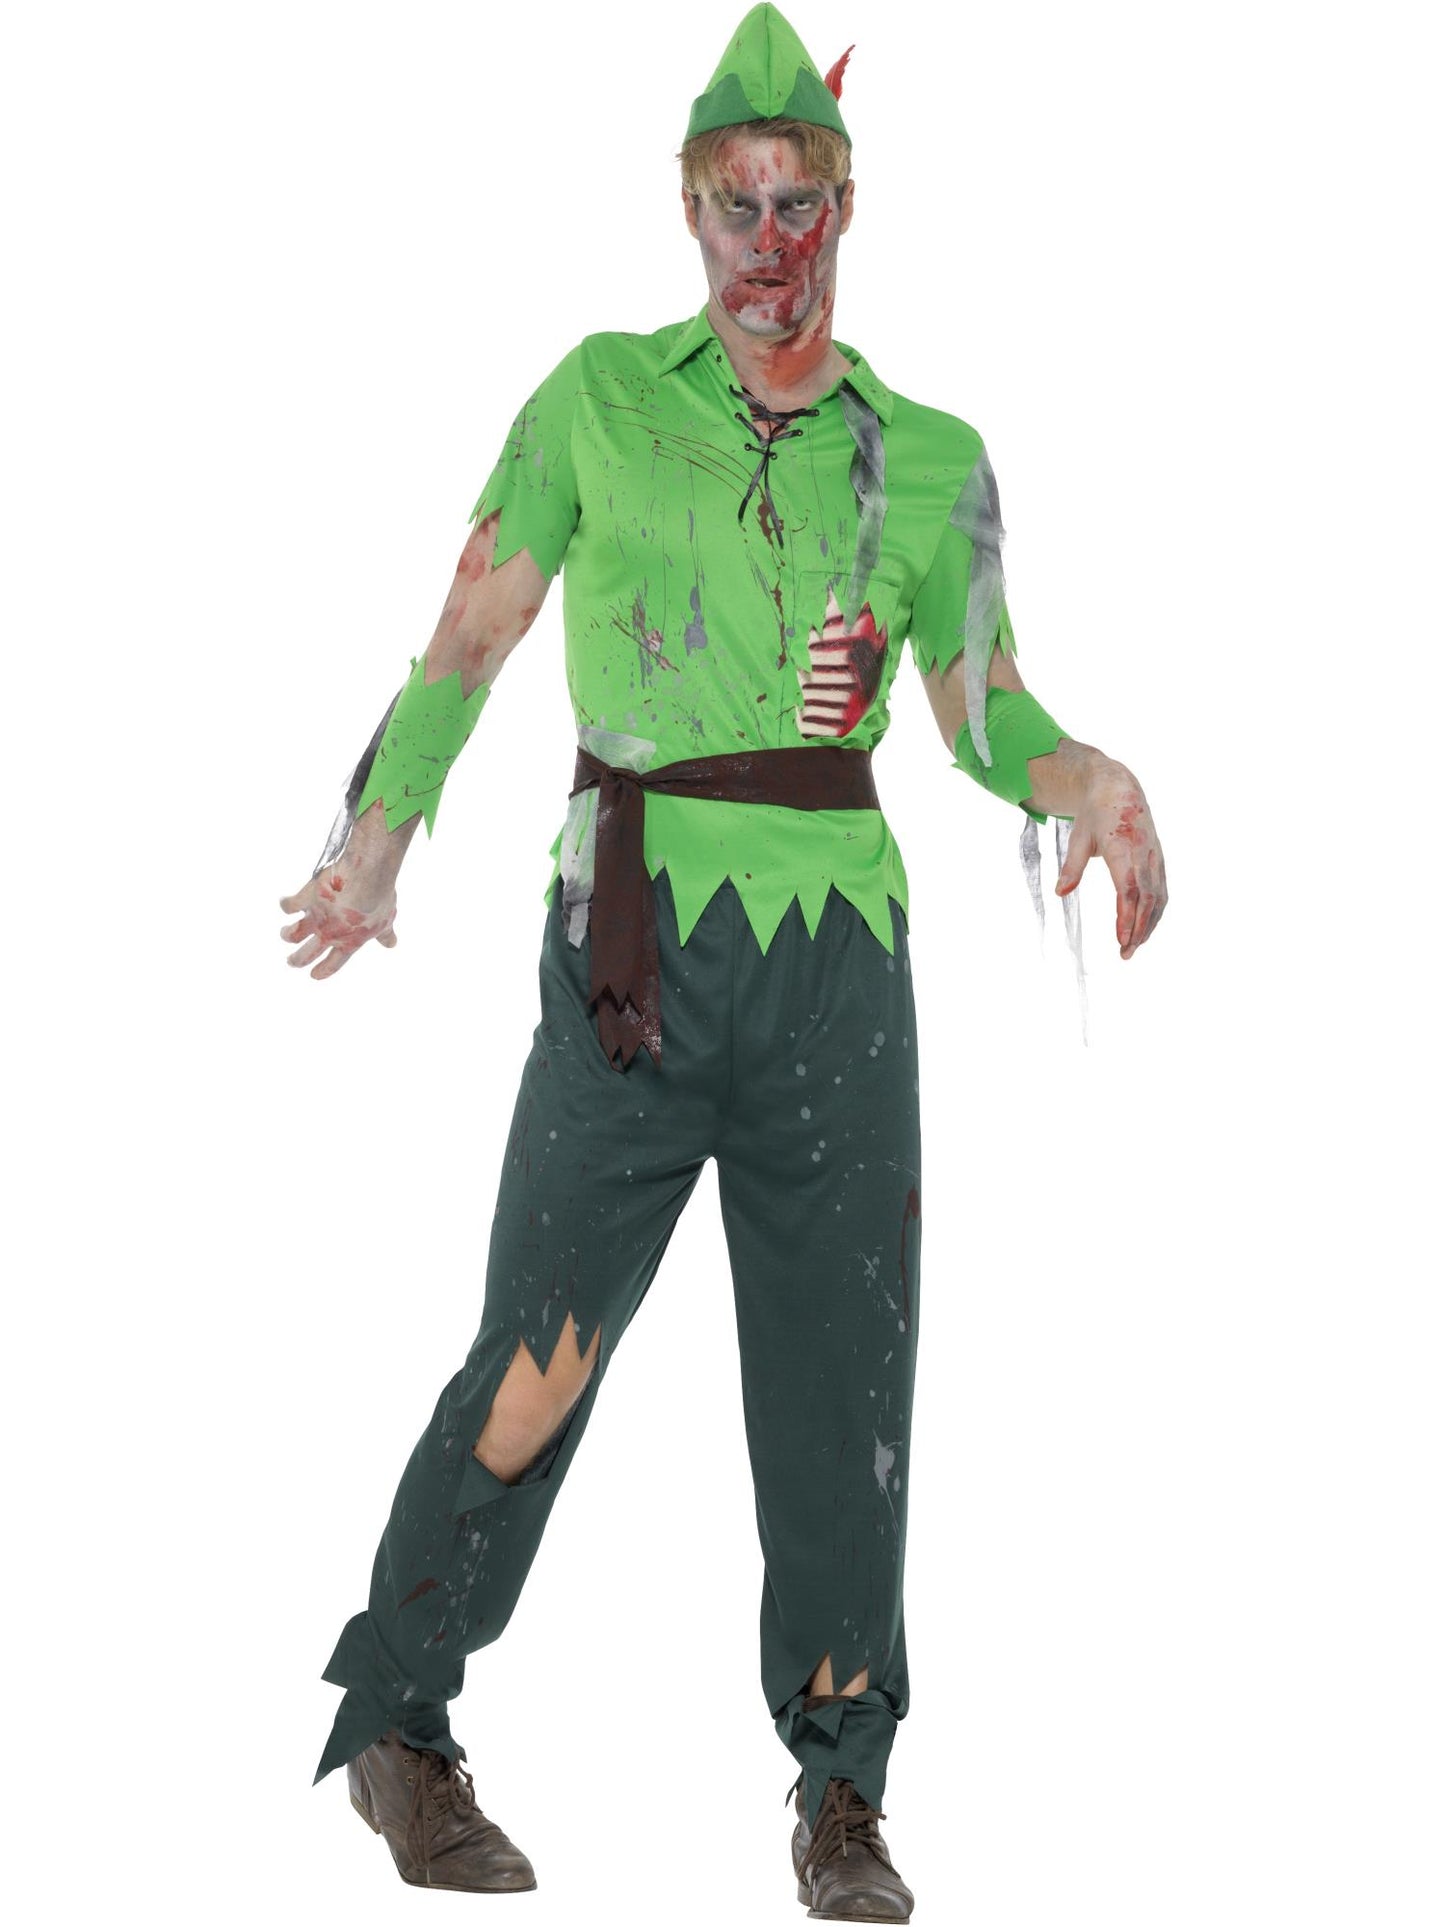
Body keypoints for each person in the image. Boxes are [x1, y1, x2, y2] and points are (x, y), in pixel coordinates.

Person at [281, 6, 1167, 1915]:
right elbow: (467, 637)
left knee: (845, 1385)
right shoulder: (598, 398)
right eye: (736, 207)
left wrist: (1086, 777)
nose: (770, 244)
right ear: (689, 213)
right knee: (537, 1356)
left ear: (847, 211)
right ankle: (398, 1722)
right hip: (629, 952)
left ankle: (841, 1788)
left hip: (837, 968)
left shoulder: (928, 459)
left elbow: (984, 711)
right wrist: (377, 830)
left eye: (800, 206)